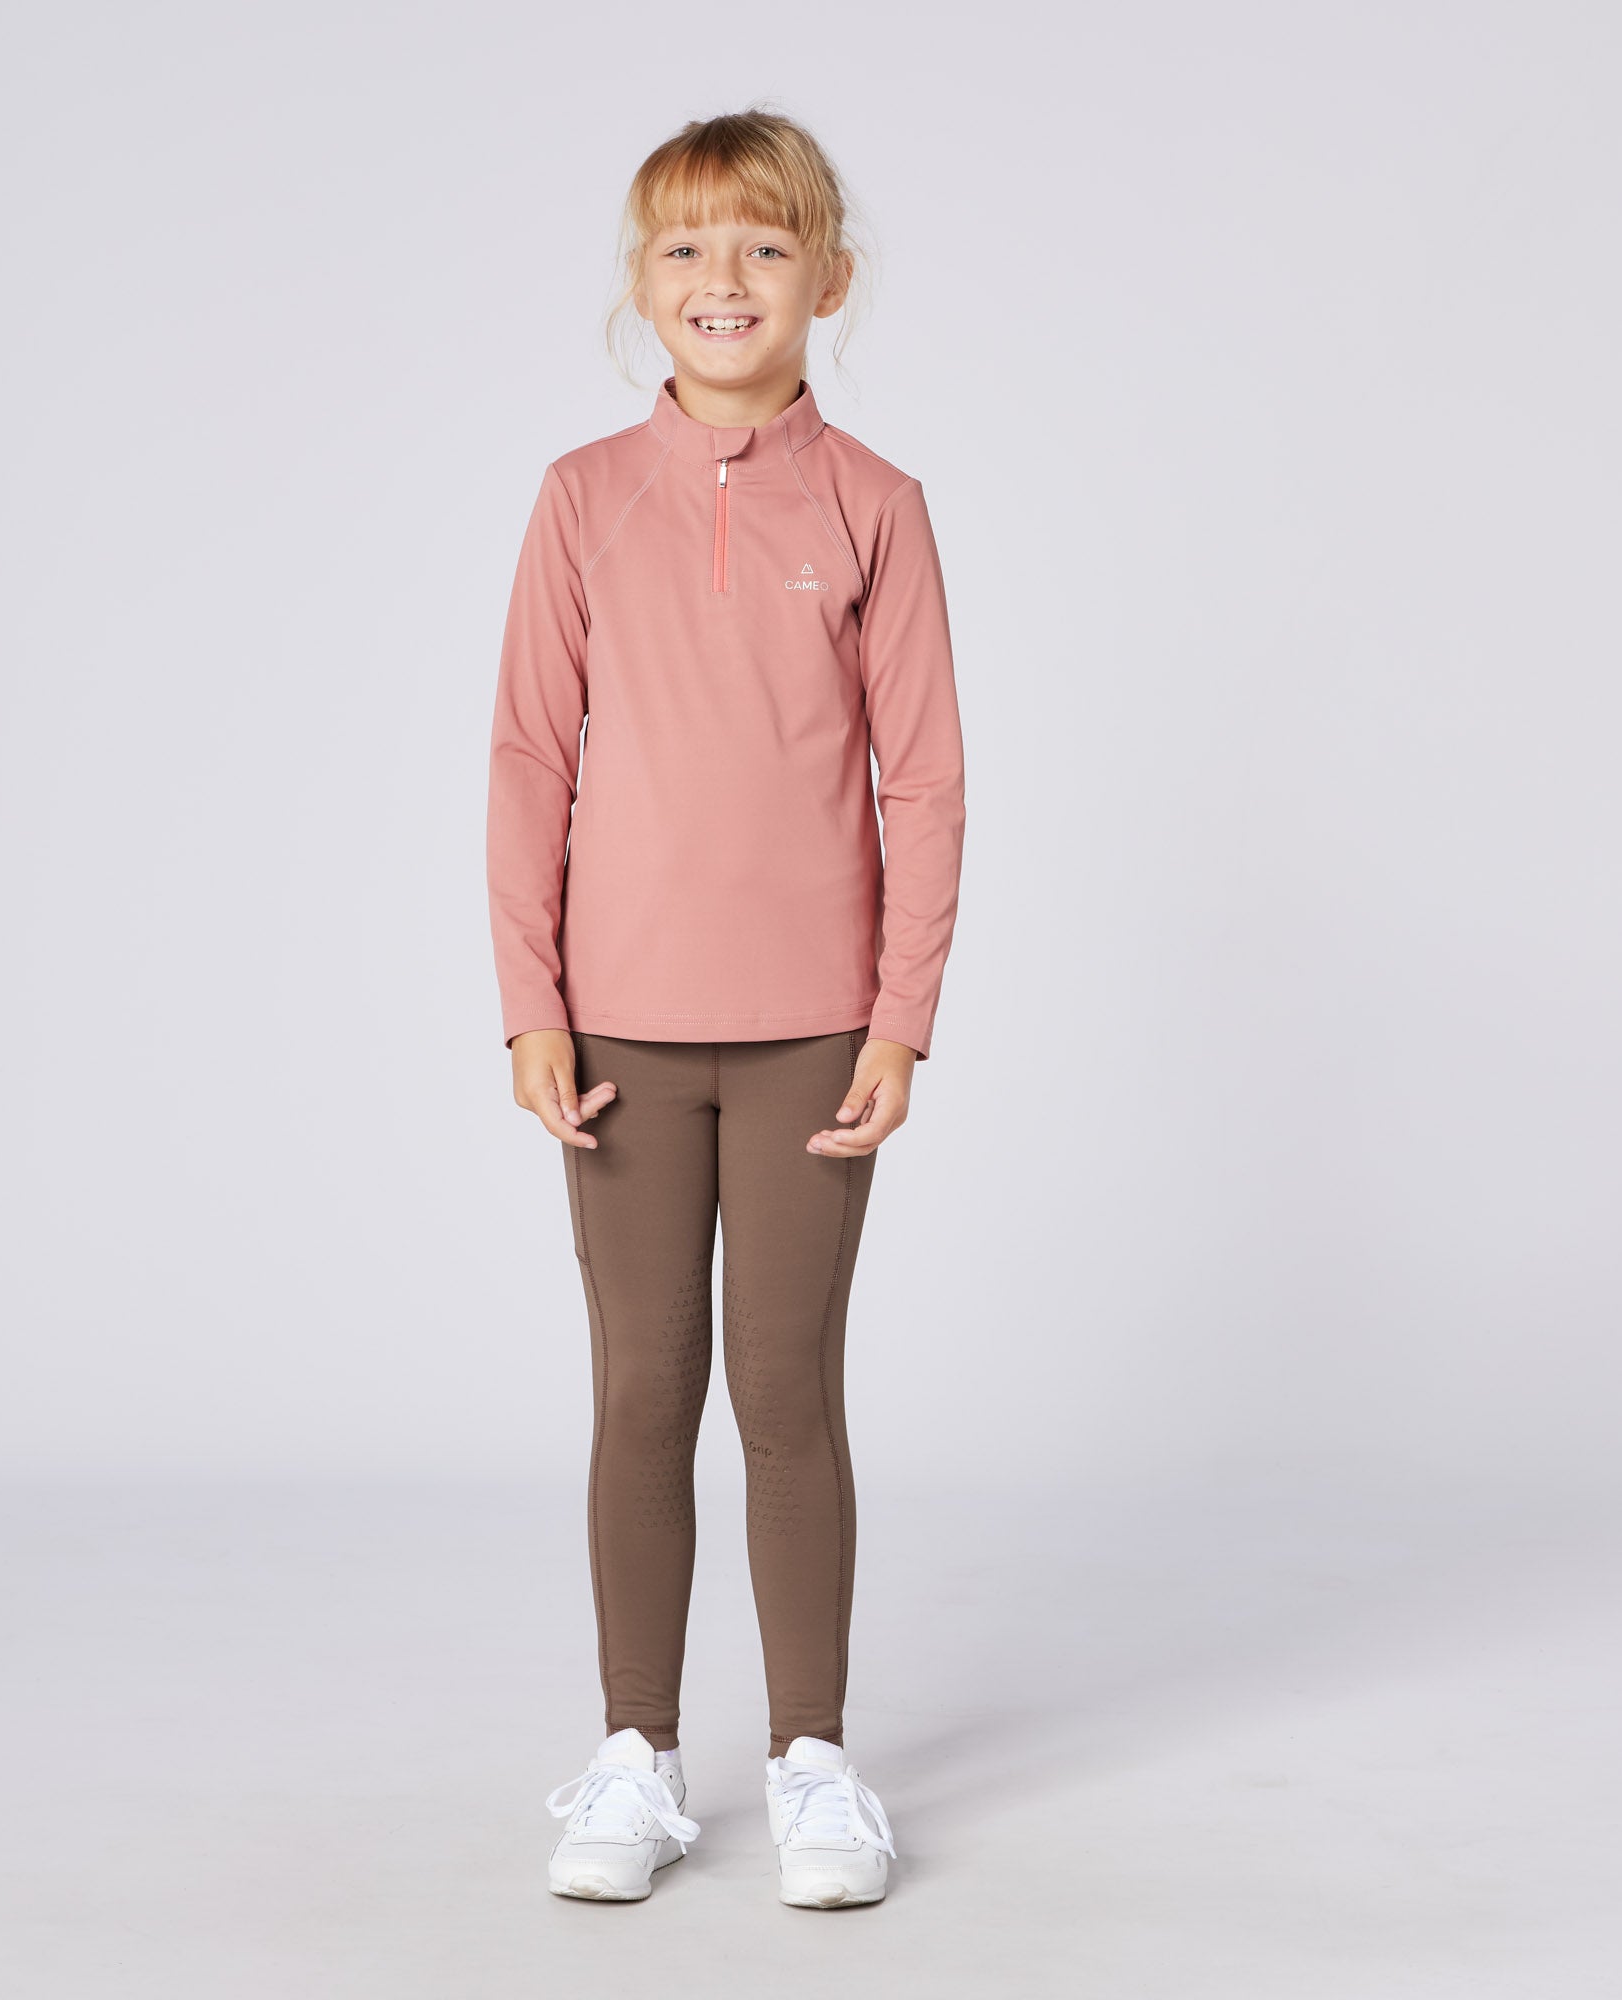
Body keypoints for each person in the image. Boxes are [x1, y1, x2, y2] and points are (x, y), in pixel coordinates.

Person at [485, 107, 967, 1909]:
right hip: (616, 1026)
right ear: (641, 282)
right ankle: (636, 1758)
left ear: (827, 280)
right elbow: (530, 758)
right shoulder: (581, 497)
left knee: (783, 1387)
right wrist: (530, 1002)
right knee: (641, 1387)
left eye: (765, 246)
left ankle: (815, 1762)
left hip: (812, 1036)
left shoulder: (876, 507)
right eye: (687, 247)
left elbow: (925, 780)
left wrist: (899, 1018)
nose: (724, 280)